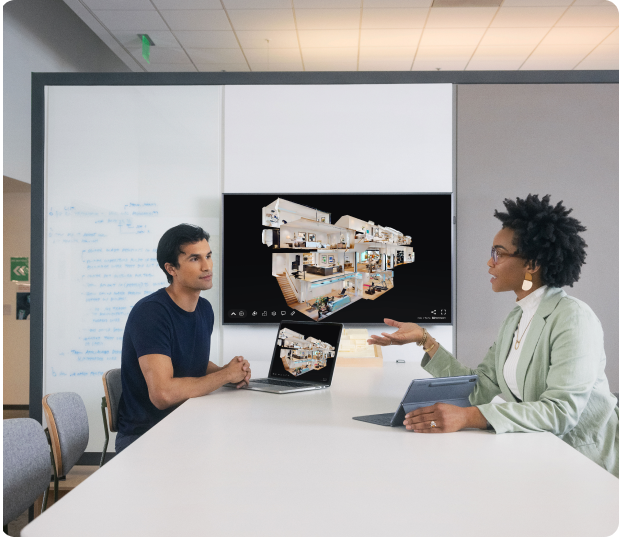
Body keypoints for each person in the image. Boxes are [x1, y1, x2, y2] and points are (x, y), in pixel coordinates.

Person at [368, 195, 619, 477]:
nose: (490, 262)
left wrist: (469, 417)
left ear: (532, 265)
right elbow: (480, 386)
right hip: (538, 455)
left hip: (584, 465)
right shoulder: (517, 317)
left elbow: (561, 412)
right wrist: (424, 339)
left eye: (499, 253)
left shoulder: (573, 318)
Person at [116, 224, 251, 454]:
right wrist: (224, 375)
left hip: (187, 423)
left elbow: (191, 364)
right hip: (146, 437)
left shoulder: (204, 309)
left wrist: (227, 372)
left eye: (208, 256)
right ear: (172, 269)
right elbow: (163, 394)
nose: (207, 266)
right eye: (194, 259)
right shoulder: (151, 313)